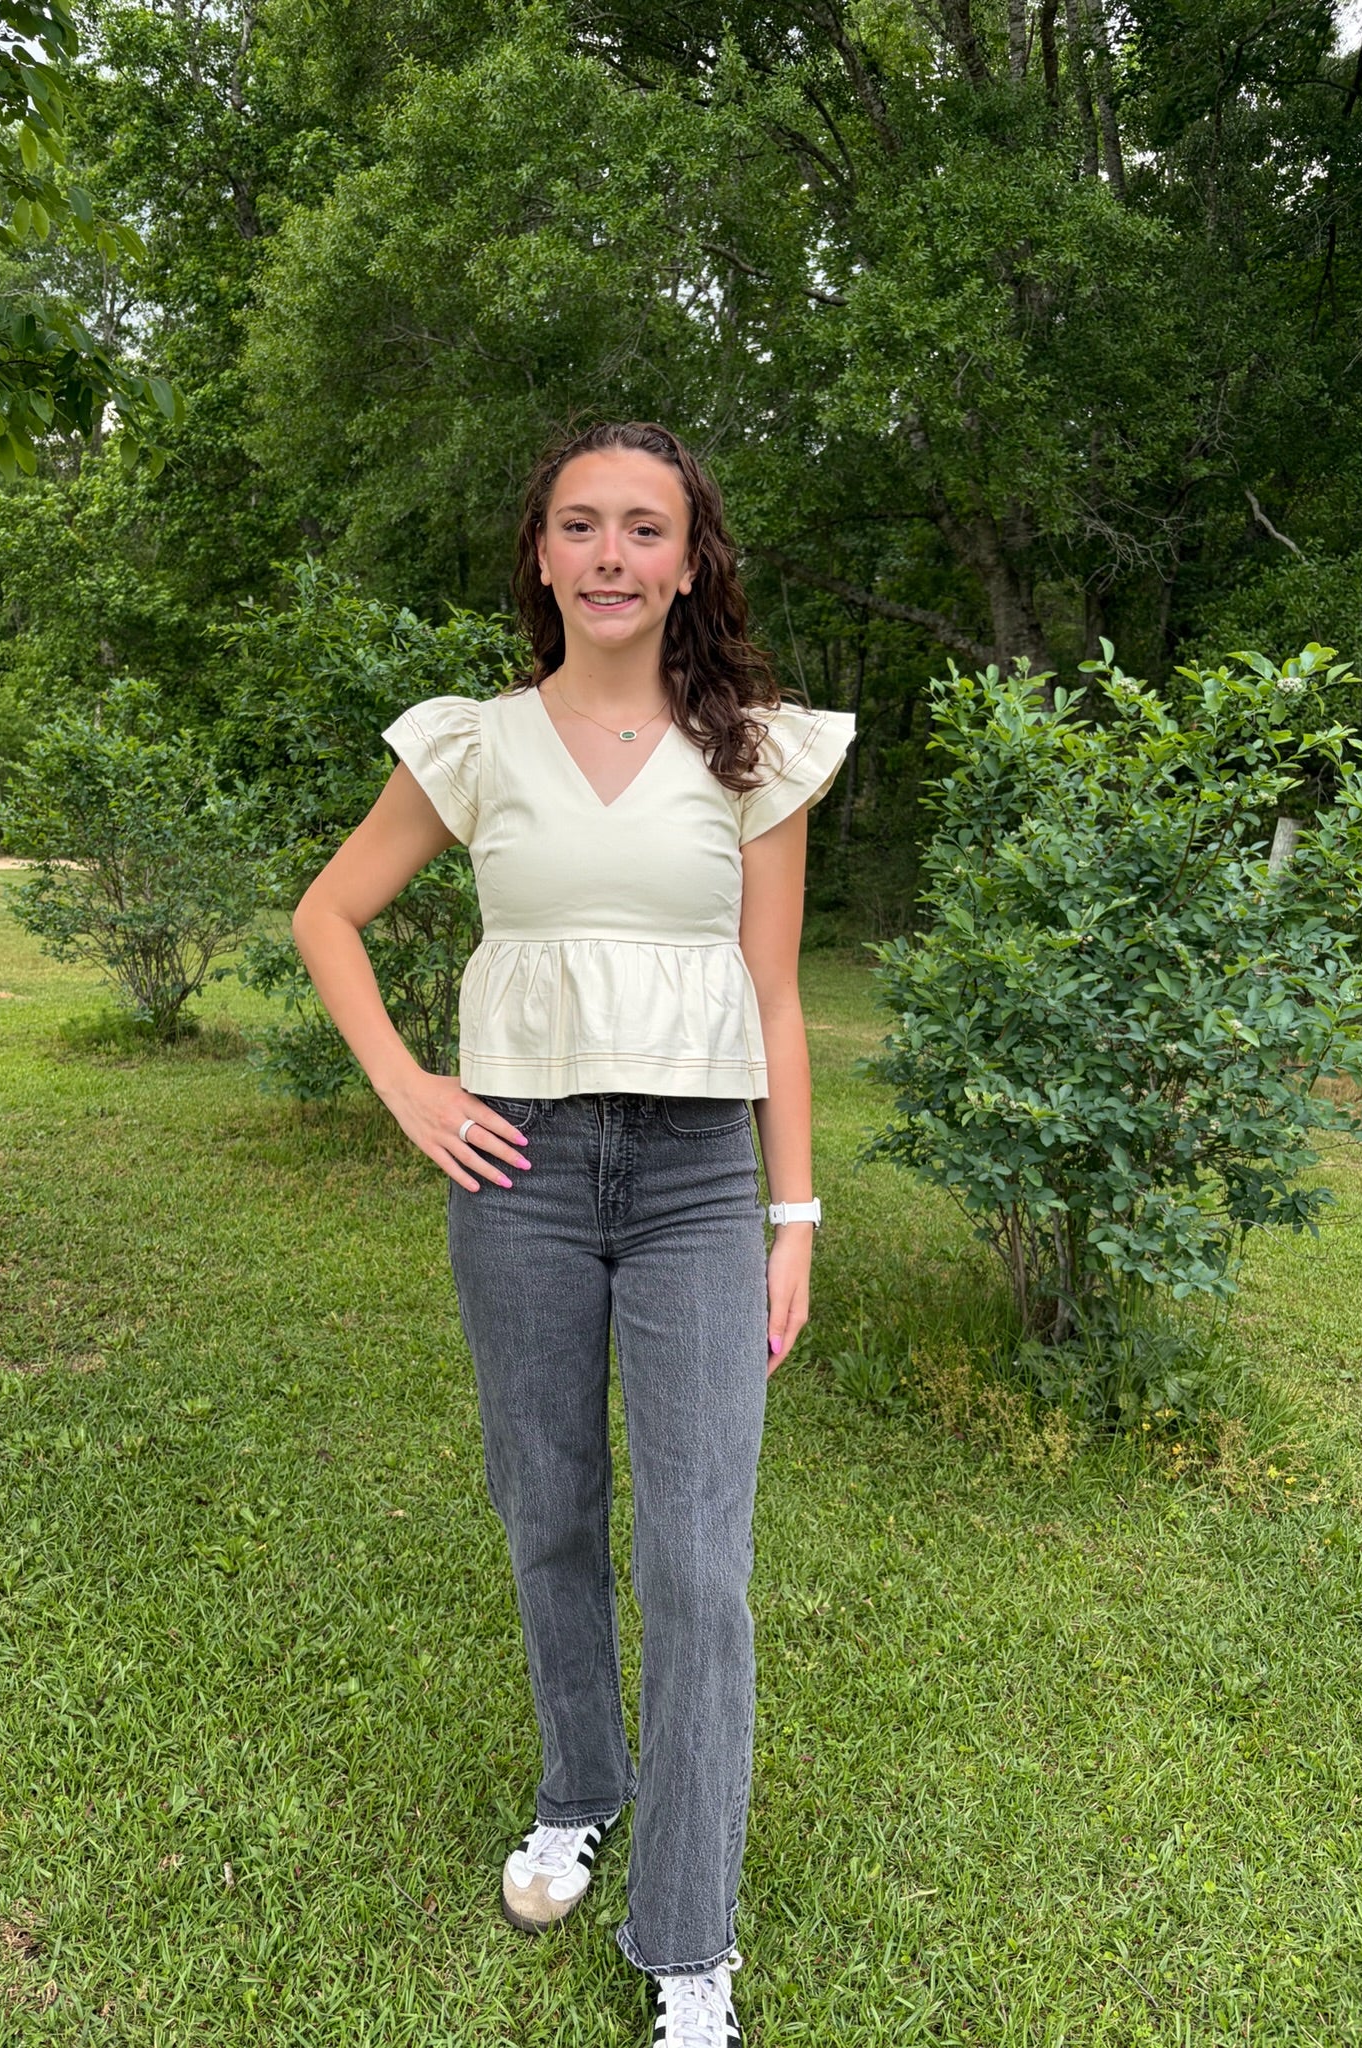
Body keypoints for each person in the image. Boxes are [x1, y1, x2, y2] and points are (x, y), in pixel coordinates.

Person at [292, 420, 855, 2048]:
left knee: (698, 1565)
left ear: (691, 559)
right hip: (518, 1178)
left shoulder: (756, 749)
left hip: (692, 1188)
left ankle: (688, 1941)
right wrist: (408, 1089)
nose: (613, 555)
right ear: (540, 555)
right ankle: (580, 1784)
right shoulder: (473, 745)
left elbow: (773, 995)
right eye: (581, 526)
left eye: (646, 528)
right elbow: (330, 914)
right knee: (548, 1514)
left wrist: (792, 1213)